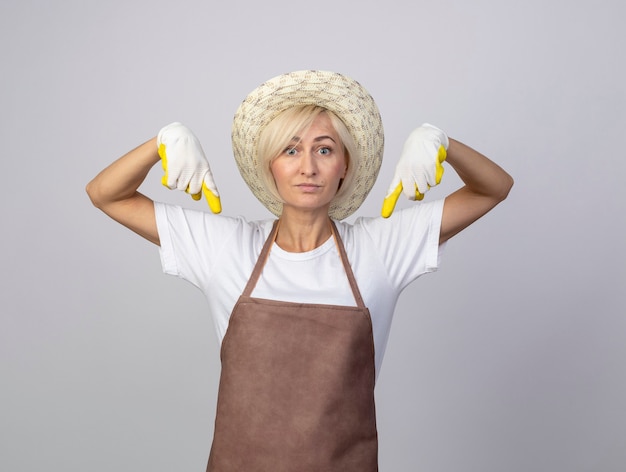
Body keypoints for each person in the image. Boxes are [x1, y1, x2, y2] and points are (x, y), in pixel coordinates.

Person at [86, 70, 513, 471]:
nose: (307, 166)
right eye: (290, 150)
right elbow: (106, 194)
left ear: (344, 165)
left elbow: (494, 187)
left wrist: (441, 143)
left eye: (324, 149)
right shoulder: (226, 247)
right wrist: (163, 141)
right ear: (269, 165)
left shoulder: (379, 249)